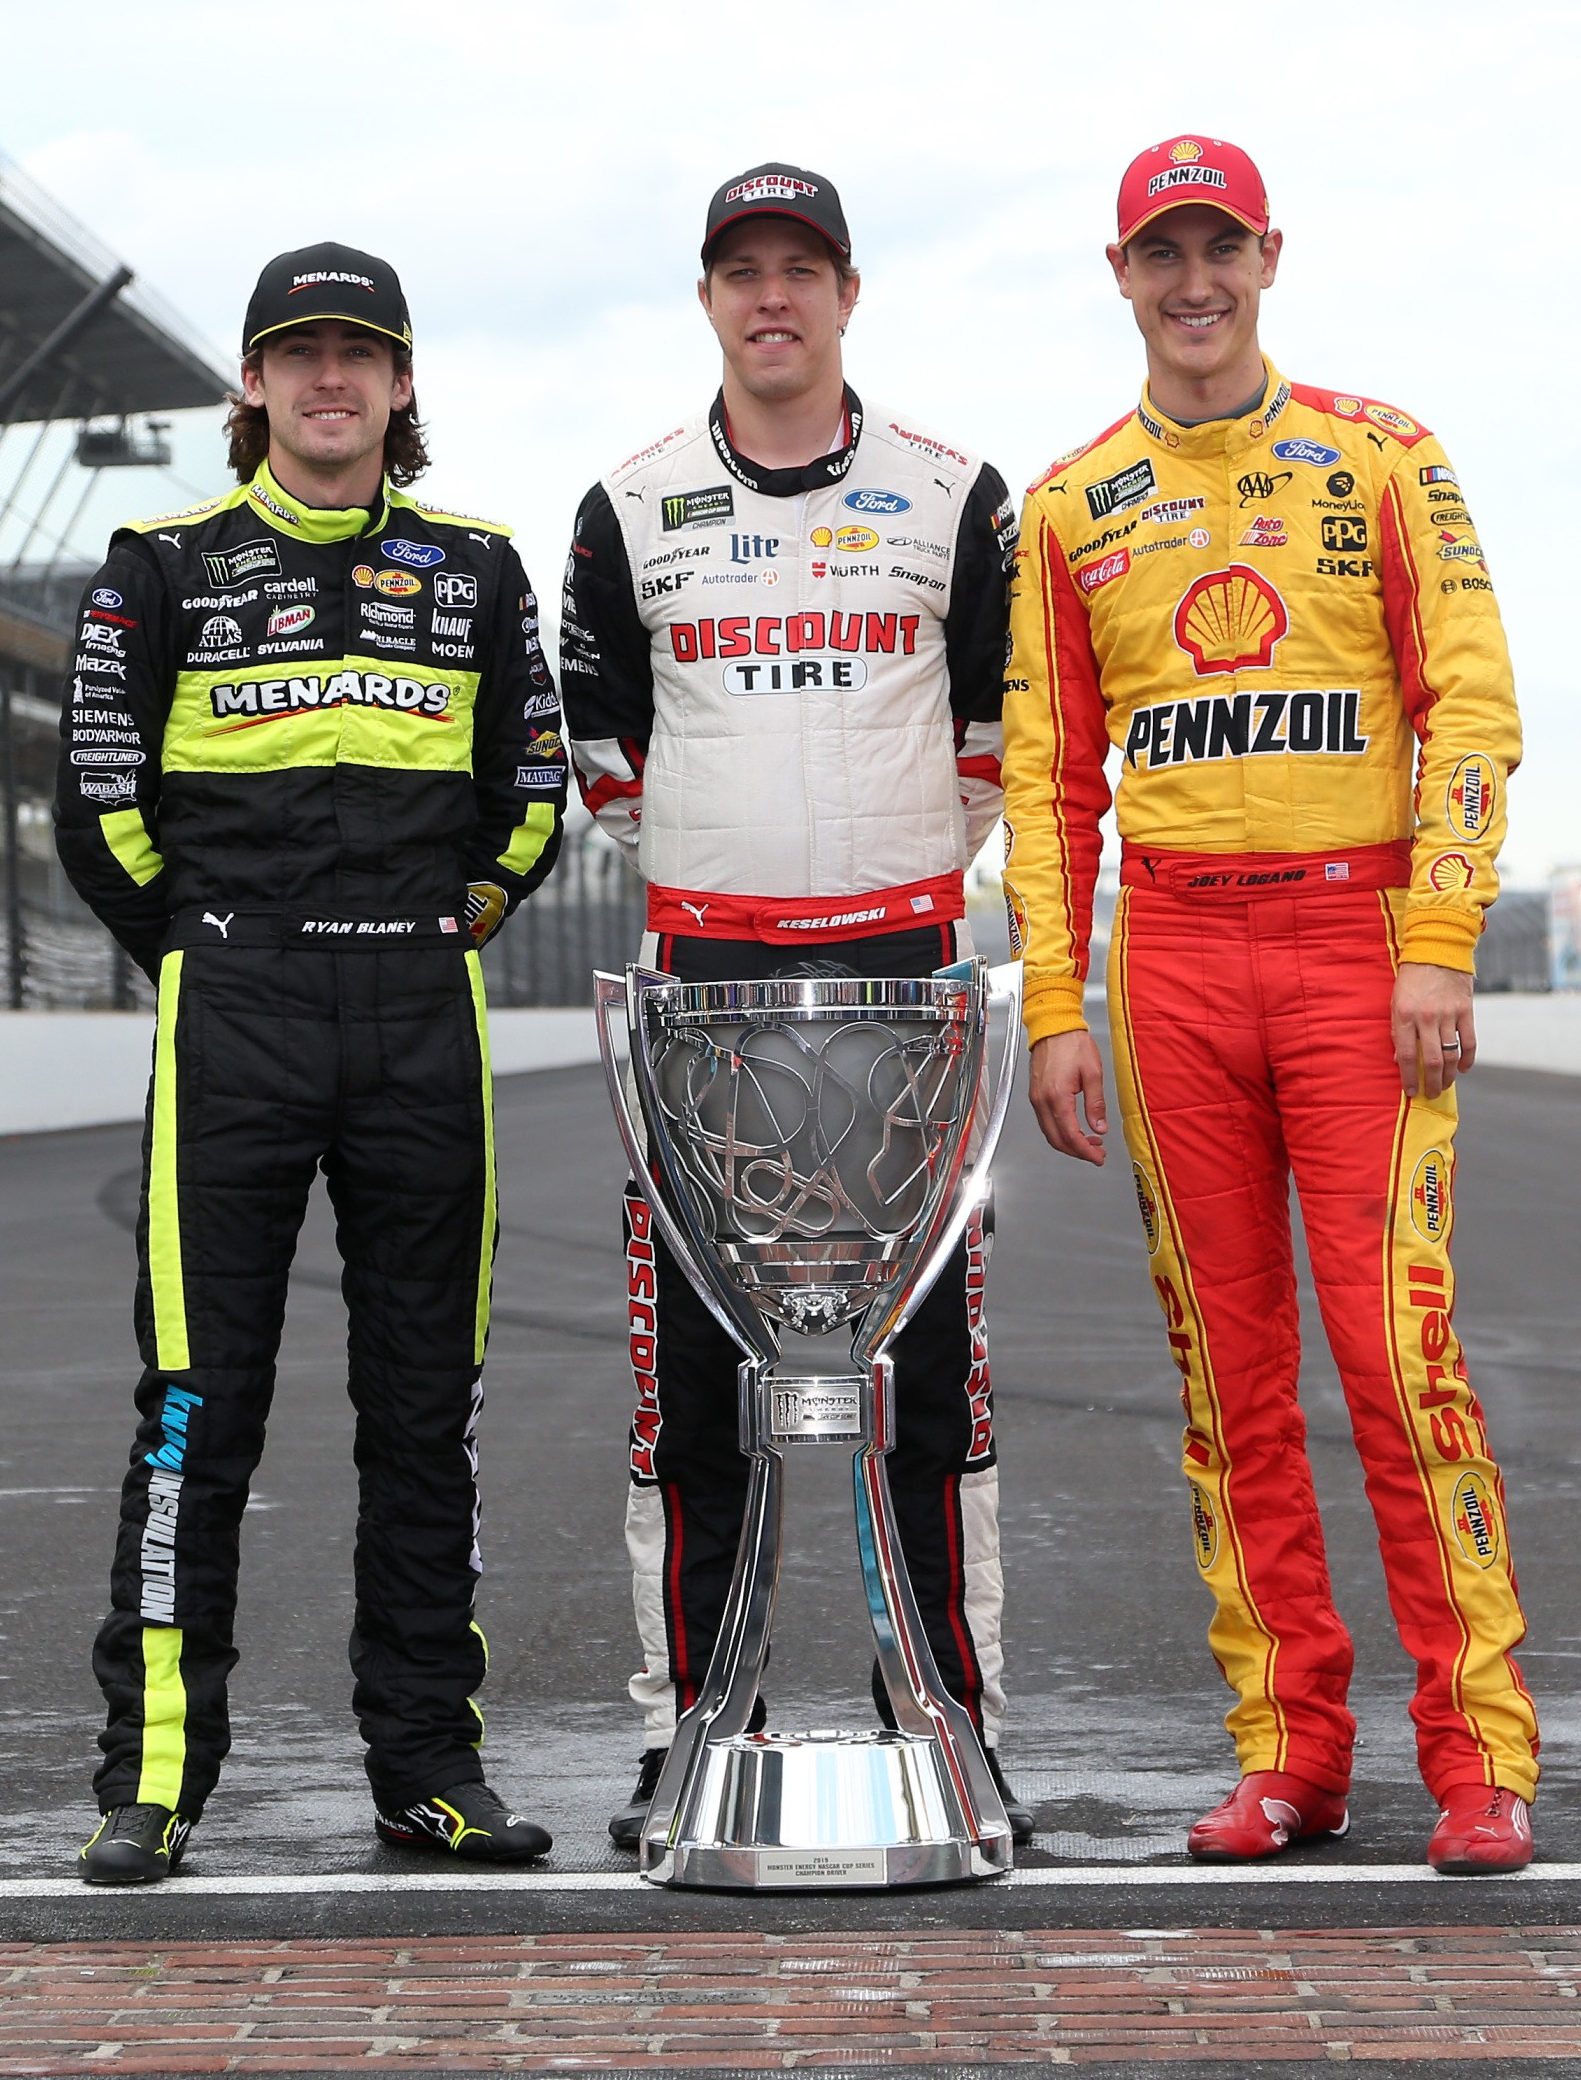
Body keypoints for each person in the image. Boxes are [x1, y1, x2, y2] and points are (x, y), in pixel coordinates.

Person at [1002, 137, 1540, 1874]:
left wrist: (1442, 938)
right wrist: (1054, 1003)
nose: (1193, 282)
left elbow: (1471, 702)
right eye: (1161, 253)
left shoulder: (1383, 456)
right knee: (1227, 1381)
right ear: (1121, 275)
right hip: (1167, 968)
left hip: (1355, 952)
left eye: (1217, 246)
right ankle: (1291, 1747)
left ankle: (1475, 1758)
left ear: (1269, 255)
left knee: (1397, 1355)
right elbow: (1046, 777)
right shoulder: (1071, 503)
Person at [52, 242, 569, 1880]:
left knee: (430, 1412)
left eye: (360, 352)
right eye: (298, 352)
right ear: (252, 388)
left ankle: (427, 1764)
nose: (329, 378)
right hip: (239, 1014)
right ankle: (153, 1777)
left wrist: (465, 910)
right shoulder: (159, 563)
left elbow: (536, 787)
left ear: (404, 385)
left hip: (423, 1007)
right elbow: (96, 796)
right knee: (200, 1406)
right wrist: (205, 953)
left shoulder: (481, 569)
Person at [561, 162, 1028, 1852]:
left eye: (802, 270)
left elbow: (1000, 738)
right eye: (743, 272)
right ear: (707, 299)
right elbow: (602, 753)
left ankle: (959, 1732)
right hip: (705, 991)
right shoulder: (626, 505)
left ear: (848, 292)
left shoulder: (956, 493)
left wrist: (881, 886)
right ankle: (688, 1733)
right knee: (687, 1393)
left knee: (930, 1380)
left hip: (907, 979)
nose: (774, 298)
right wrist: (735, 886)